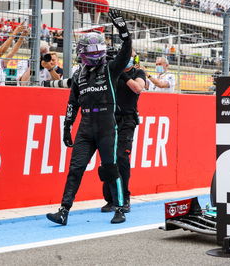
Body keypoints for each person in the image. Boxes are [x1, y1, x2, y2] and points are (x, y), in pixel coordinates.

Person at [46, 9, 132, 225]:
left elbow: (126, 53)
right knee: (75, 168)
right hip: (85, 126)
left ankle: (120, 207)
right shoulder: (78, 75)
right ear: (82, 51)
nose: (94, 52)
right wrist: (67, 127)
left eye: (97, 49)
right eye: (90, 49)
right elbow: (72, 102)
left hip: (106, 125)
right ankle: (64, 210)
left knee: (110, 167)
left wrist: (123, 32)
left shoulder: (111, 69)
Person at [101, 50, 145, 213]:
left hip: (127, 119)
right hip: (109, 119)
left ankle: (124, 198)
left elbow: (138, 88)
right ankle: (111, 199)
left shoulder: (138, 72)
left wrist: (122, 73)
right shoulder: (110, 72)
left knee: (121, 157)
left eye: (130, 55)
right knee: (108, 159)